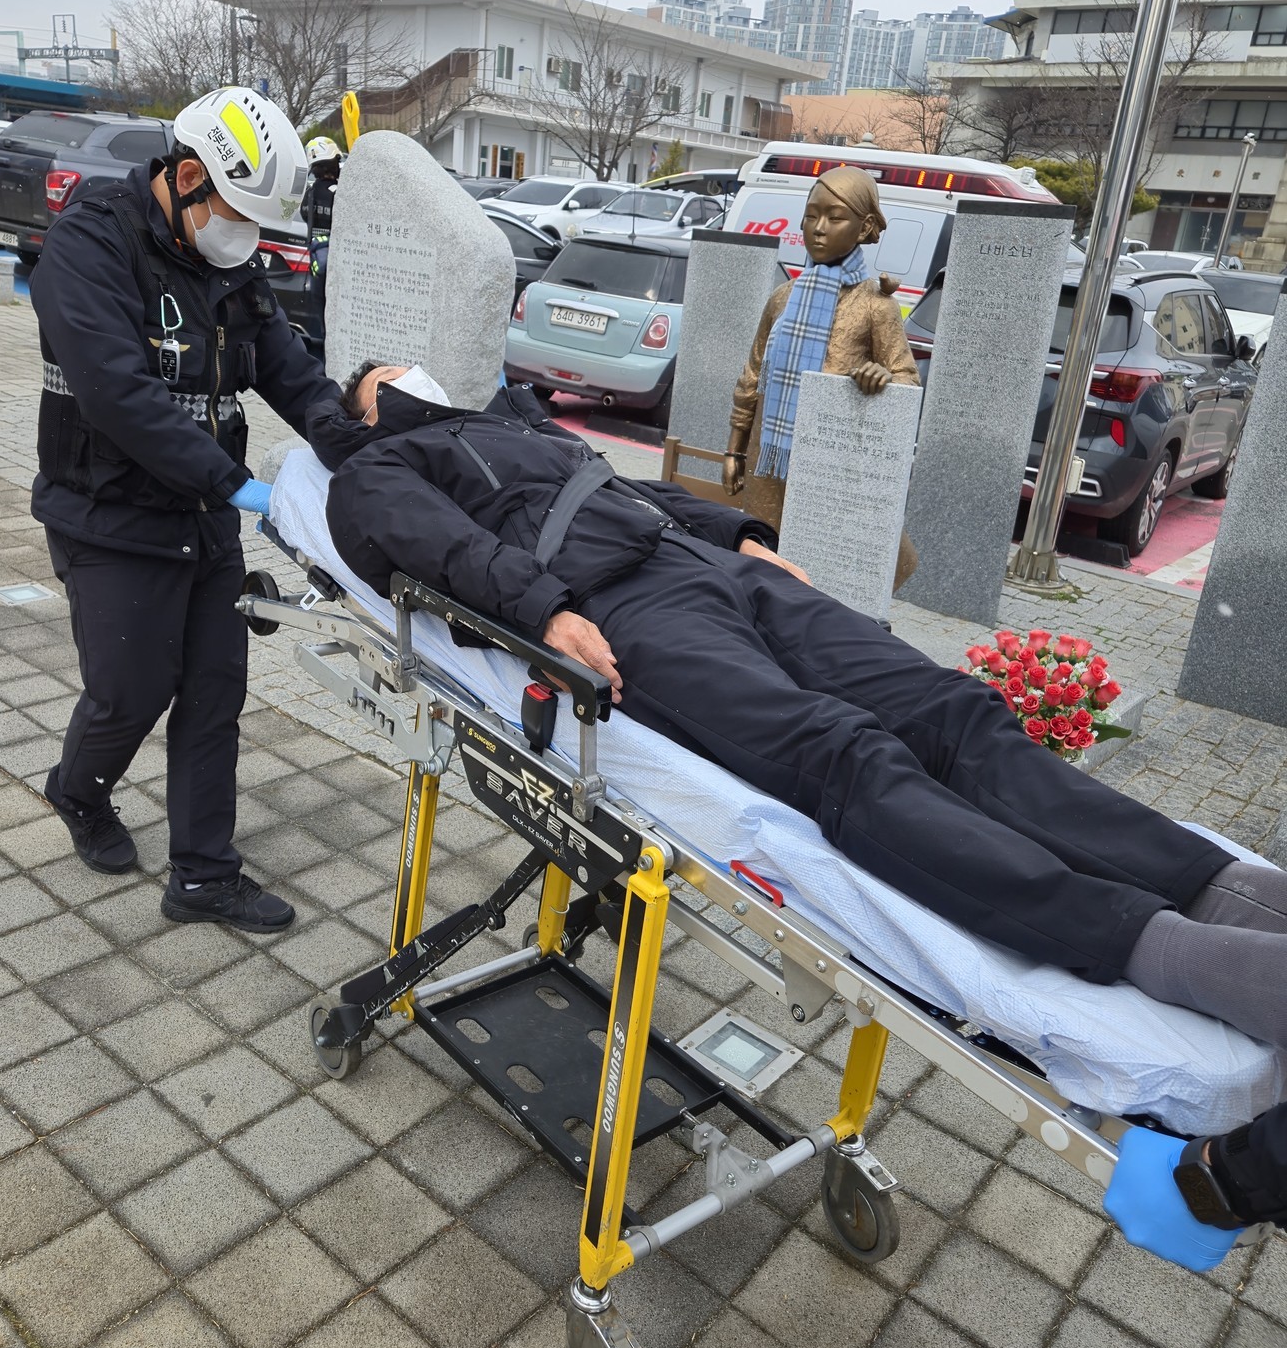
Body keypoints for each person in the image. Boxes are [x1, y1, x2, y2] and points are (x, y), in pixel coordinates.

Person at [308, 364, 1287, 1044]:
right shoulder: (380, 467)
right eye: (392, 378)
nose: (419, 381)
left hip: (707, 571)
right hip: (619, 613)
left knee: (952, 709)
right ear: (369, 409)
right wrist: (544, 612)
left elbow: (627, 492)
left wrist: (741, 536)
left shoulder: (518, 427)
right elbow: (433, 544)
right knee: (843, 755)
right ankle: (1156, 947)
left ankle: (1211, 884)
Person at [32, 86, 341, 931]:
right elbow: (119, 396)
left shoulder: (229, 258)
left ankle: (203, 876)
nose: (244, 239)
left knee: (213, 692)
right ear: (190, 176)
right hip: (108, 511)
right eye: (237, 214)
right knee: (130, 691)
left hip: (202, 516)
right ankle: (78, 791)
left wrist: (350, 443)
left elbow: (287, 364)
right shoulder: (89, 245)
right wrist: (238, 485)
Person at [722, 167, 921, 589]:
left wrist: (881, 376)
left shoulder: (875, 305)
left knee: (827, 573)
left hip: (833, 461)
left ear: (865, 227)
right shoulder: (783, 298)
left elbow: (907, 379)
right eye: (811, 215)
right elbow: (752, 375)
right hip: (768, 456)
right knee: (765, 560)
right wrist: (735, 450)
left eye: (835, 217)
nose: (819, 228)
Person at [301, 136, 342, 354]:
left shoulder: (309, 194)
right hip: (339, 268)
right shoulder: (342, 193)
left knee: (320, 322)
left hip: (317, 265)